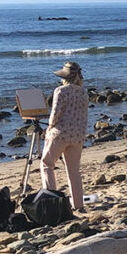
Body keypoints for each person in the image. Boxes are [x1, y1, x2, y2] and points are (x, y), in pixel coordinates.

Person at [41, 61, 88, 210]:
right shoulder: (84, 92)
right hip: (77, 135)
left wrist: (49, 127)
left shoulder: (60, 91)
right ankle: (78, 204)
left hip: (60, 134)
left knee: (47, 165)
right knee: (73, 171)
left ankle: (52, 201)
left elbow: (55, 113)